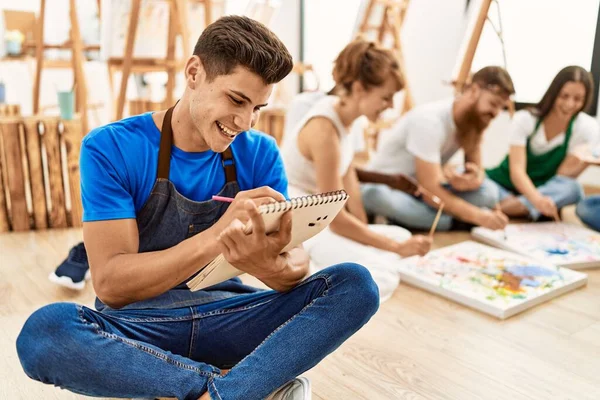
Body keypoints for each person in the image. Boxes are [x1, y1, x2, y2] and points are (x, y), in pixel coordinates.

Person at [16, 16, 380, 400]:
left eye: (257, 107)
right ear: (194, 73)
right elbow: (111, 284)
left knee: (356, 285)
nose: (244, 121)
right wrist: (216, 238)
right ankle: (237, 387)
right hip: (140, 329)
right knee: (46, 331)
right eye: (236, 100)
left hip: (232, 318)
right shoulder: (111, 148)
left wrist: (269, 266)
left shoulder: (260, 154)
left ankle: (200, 389)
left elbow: (295, 267)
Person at [279, 39, 432, 302]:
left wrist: (364, 230)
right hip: (303, 224)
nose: (390, 105)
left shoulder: (350, 121)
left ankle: (331, 265)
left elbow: (347, 182)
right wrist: (392, 247)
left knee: (399, 235)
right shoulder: (324, 129)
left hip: (321, 216)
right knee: (382, 274)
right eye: (386, 97)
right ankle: (312, 280)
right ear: (360, 88)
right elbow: (335, 220)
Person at [360, 66, 515, 231]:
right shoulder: (429, 121)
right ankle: (452, 222)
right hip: (391, 188)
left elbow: (477, 171)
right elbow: (430, 187)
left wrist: (471, 180)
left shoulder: (473, 122)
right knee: (376, 197)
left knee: (489, 192)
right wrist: (478, 216)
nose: (495, 113)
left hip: (421, 194)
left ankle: (433, 219)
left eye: (501, 107)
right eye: (493, 104)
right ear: (474, 91)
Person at [486, 66, 599, 221]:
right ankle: (522, 208)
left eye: (578, 99)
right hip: (504, 186)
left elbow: (562, 176)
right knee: (483, 188)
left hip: (543, 190)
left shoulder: (585, 127)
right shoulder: (525, 119)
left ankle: (504, 208)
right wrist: (537, 200)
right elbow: (516, 172)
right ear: (553, 94)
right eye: (564, 96)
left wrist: (586, 161)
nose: (570, 104)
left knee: (573, 189)